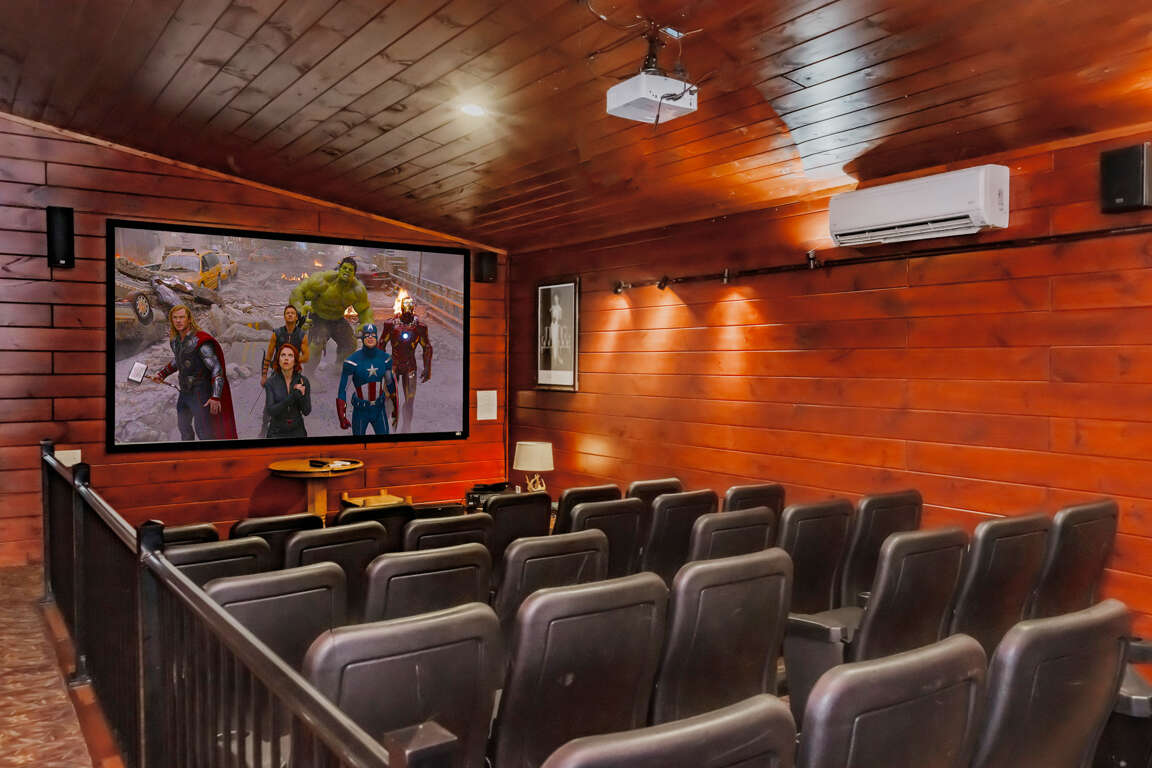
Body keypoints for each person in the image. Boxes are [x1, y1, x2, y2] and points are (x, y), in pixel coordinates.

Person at [152, 304, 237, 441]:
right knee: (183, 427)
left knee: (203, 432)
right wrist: (162, 374)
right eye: (175, 318)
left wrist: (216, 396)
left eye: (182, 317)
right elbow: (179, 360)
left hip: (200, 393)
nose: (178, 321)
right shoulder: (175, 341)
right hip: (184, 392)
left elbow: (216, 368)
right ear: (171, 320)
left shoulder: (201, 342)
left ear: (189, 319)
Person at [289, 256, 373, 372]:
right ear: (339, 269)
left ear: (354, 274)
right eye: (344, 268)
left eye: (350, 270)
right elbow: (298, 292)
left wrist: (366, 323)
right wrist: (299, 312)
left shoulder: (357, 290)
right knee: (316, 345)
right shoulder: (323, 281)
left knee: (350, 345)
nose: (347, 271)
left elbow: (364, 310)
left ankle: (338, 366)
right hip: (319, 317)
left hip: (338, 319)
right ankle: (309, 374)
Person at [379, 295, 432, 432]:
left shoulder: (420, 327)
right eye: (406, 306)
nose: (408, 309)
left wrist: (427, 368)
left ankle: (406, 427)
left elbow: (427, 347)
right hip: (394, 365)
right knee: (388, 396)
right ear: (401, 307)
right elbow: (381, 343)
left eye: (410, 306)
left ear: (413, 308)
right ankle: (384, 426)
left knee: (409, 399)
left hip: (410, 366)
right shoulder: (391, 324)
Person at [337, 324, 398, 436]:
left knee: (384, 444)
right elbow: (342, 390)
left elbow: (390, 384)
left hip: (379, 409)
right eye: (367, 335)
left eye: (373, 335)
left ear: (377, 337)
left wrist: (395, 407)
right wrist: (342, 416)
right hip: (360, 410)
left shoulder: (385, 359)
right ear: (362, 338)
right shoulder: (351, 362)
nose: (370, 337)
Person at [263, 343, 311, 438]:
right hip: (276, 431)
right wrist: (292, 397)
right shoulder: (271, 382)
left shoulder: (303, 381)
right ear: (278, 360)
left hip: (297, 430)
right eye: (283, 355)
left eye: (290, 355)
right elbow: (271, 411)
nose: (286, 358)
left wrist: (302, 396)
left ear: (295, 361)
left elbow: (306, 411)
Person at [261, 305, 310, 387]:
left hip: (294, 373)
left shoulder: (301, 335)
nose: (290, 315)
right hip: (278, 372)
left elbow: (306, 357)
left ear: (296, 317)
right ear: (284, 317)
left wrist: (292, 360)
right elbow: (269, 355)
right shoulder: (277, 333)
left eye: (292, 313)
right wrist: (264, 376)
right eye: (287, 313)